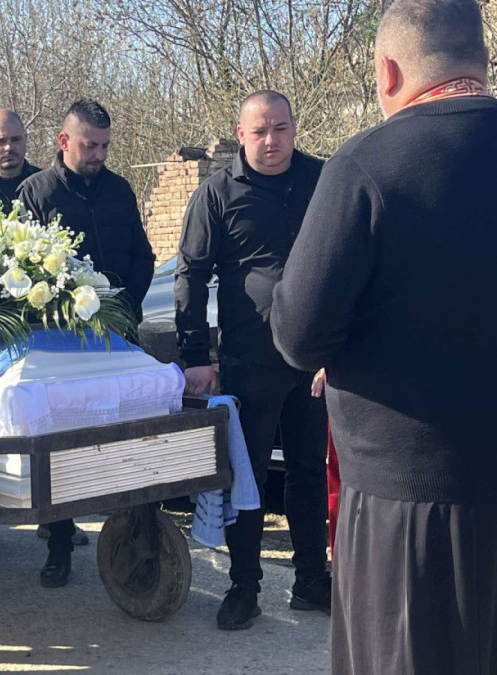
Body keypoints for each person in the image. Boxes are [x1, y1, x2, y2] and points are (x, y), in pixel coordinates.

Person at [271, 1, 496, 672]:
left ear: (388, 71)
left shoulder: (368, 163)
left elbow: (300, 332)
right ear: (481, 59)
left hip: (411, 505)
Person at [175, 90, 330, 630]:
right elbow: (191, 274)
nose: (271, 140)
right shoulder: (216, 193)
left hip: (313, 359)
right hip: (250, 359)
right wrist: (195, 355)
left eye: (280, 128)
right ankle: (244, 587)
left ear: (294, 127)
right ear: (241, 134)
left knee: (309, 471)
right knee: (248, 476)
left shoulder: (322, 180)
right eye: (260, 131)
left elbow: (348, 259)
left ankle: (312, 581)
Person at [19, 99, 155, 588]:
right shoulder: (36, 192)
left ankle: (136, 534)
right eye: (89, 145)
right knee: (62, 440)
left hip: (118, 332)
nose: (99, 155)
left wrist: (126, 310)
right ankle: (59, 542)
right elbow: (28, 269)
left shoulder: (119, 189)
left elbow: (142, 255)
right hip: (61, 339)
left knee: (128, 428)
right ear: (64, 141)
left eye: (104, 146)